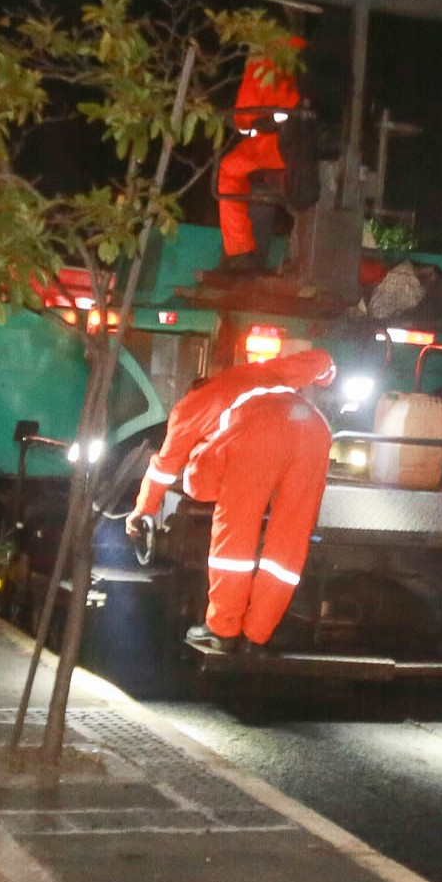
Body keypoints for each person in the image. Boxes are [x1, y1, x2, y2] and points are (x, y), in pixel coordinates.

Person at [129, 343, 336, 650]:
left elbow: (165, 466)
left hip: (255, 437)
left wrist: (142, 508)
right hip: (314, 430)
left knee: (235, 541)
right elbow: (321, 361)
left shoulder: (189, 407)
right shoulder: (257, 372)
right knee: (289, 543)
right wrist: (327, 375)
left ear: (191, 390)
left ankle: (224, 629)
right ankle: (258, 633)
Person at [213, 43, 305, 268]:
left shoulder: (262, 57)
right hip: (307, 144)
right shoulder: (308, 51)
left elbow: (246, 114)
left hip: (276, 145)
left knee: (228, 169)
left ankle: (239, 252)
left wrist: (241, 123)